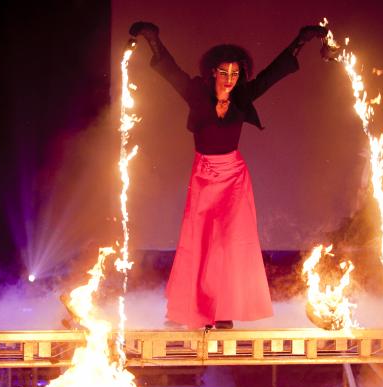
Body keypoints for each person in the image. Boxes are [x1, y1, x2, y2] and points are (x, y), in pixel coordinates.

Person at [129, 21, 326, 329]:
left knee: (230, 245)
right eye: (224, 73)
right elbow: (171, 71)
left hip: (234, 177)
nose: (230, 79)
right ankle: (202, 309)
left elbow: (273, 73)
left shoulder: (243, 96)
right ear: (213, 73)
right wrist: (152, 39)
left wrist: (300, 41)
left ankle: (223, 311)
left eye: (235, 73)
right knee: (204, 244)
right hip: (204, 177)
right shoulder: (196, 93)